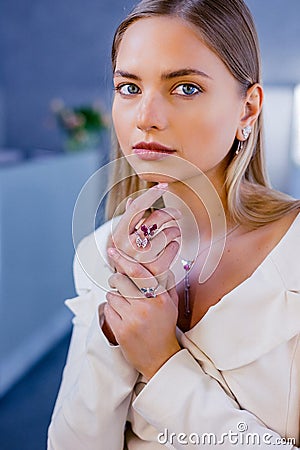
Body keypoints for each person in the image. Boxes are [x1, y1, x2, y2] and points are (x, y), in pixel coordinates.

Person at [47, 0, 300, 448]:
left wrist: (162, 364)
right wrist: (114, 328)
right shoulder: (100, 249)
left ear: (248, 109)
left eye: (184, 88)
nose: (146, 117)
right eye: (128, 88)